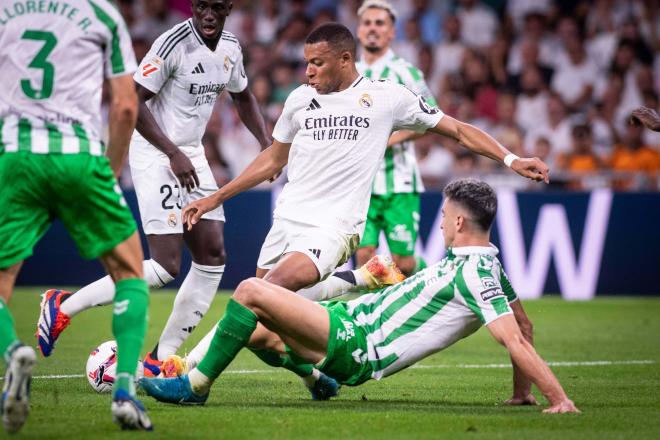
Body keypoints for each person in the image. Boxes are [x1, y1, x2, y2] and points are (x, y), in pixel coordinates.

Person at [153, 21, 549, 392]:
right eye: (306, 62)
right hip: (286, 221)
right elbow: (274, 160)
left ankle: (188, 378)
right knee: (263, 326)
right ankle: (316, 377)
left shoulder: (385, 97)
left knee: (262, 292)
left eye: (317, 63)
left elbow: (459, 130)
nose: (308, 71)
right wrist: (215, 197)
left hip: (333, 228)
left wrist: (512, 160)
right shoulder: (298, 100)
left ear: (345, 60)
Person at [140, 179, 578, 414]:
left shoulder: (476, 274)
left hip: (358, 342)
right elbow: (525, 324)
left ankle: (195, 388)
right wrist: (522, 395)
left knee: (254, 291)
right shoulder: (487, 265)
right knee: (253, 332)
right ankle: (318, 381)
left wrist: (559, 399)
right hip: (349, 321)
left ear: (461, 224)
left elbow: (515, 338)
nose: (441, 224)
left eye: (445, 216)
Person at [36, 0, 271, 378]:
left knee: (213, 256)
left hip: (189, 154)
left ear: (229, 8)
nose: (208, 15)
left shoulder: (230, 47)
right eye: (202, 7)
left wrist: (265, 142)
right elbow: (132, 99)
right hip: (155, 153)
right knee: (165, 265)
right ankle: (62, 306)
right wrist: (172, 152)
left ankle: (160, 358)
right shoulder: (170, 44)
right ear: (193, 7)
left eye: (217, 8)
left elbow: (243, 95)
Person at [0, 0, 152, 431]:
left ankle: (14, 353)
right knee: (131, 273)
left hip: (16, 158)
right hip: (80, 159)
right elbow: (125, 106)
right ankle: (124, 391)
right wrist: (112, 169)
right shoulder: (102, 14)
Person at [355, 0, 438, 276]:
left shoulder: (407, 73)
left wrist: (389, 139)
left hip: (399, 182)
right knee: (365, 257)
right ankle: (372, 317)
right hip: (360, 182)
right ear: (358, 30)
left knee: (402, 262)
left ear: (392, 32)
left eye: (380, 23)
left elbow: (432, 119)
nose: (373, 29)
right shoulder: (347, 73)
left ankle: (430, 275)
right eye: (367, 23)